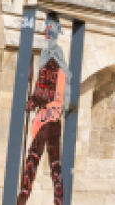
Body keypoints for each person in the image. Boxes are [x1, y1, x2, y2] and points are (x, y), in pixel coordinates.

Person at [19, 14, 69, 205]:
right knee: (54, 163)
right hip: (54, 118)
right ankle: (58, 201)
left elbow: (46, 87)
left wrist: (32, 101)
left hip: (46, 117)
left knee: (34, 157)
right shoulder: (56, 55)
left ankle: (23, 198)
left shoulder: (51, 56)